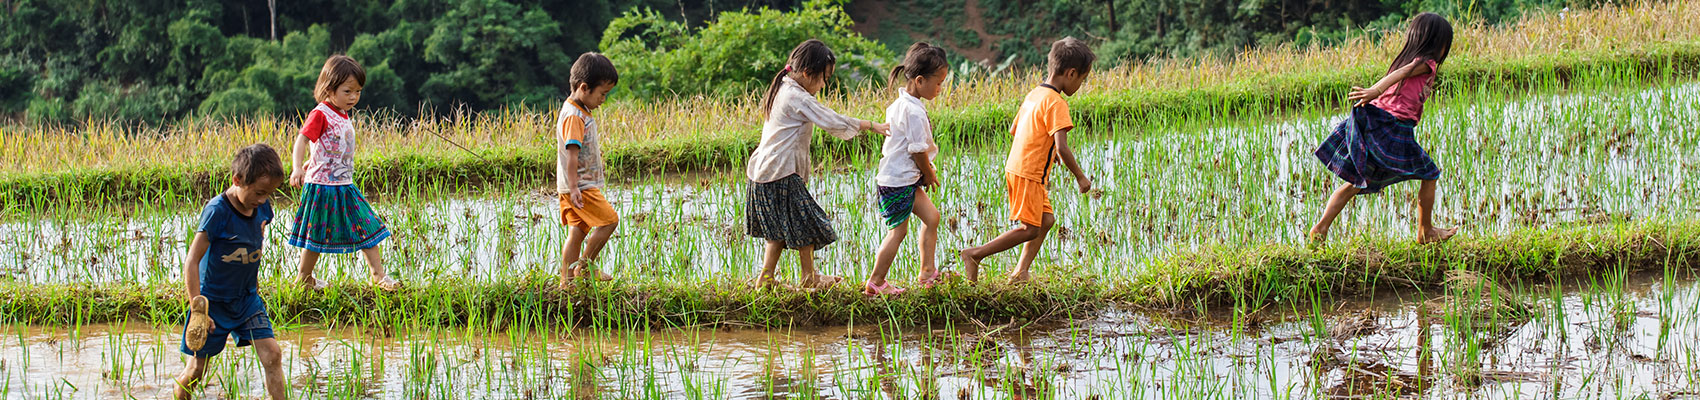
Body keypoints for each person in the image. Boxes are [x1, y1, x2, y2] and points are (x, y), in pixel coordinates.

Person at [745, 39, 890, 290]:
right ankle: (809, 277)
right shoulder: (796, 96)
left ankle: (766, 279)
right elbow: (830, 120)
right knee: (808, 222)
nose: (823, 85)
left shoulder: (783, 86)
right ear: (806, 73)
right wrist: (870, 125)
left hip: (763, 171)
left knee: (777, 231)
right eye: (823, 78)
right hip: (780, 172)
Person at [1309, 12, 1459, 245]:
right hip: (1393, 128)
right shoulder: (1424, 64)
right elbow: (1401, 74)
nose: (1444, 50)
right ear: (1436, 43)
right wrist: (1374, 91)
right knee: (1430, 174)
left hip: (1379, 123)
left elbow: (1399, 78)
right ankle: (1425, 231)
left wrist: (1377, 95)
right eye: (1444, 44)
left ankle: (1320, 229)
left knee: (1356, 183)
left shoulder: (1408, 61)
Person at [959, 37, 1096, 285]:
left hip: (1018, 166)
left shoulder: (1035, 94)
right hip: (1029, 173)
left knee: (1046, 221)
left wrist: (1047, 150)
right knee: (1030, 228)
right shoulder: (1057, 103)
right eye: (1082, 80)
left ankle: (1020, 272)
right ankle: (975, 254)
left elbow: (1018, 130)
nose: (1080, 85)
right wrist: (1080, 177)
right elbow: (1062, 147)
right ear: (1071, 73)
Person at [175, 144, 289, 400]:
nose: (263, 200)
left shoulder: (262, 208)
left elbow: (255, 234)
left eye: (269, 194)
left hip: (247, 299)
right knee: (196, 371)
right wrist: (198, 309)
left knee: (273, 355)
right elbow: (192, 260)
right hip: (213, 303)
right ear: (237, 180)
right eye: (259, 192)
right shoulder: (217, 212)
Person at [287, 55, 400, 291]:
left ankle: (378, 275)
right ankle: (304, 278)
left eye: (358, 92)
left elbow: (327, 144)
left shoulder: (342, 113)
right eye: (347, 91)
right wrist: (297, 167)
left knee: (367, 225)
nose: (353, 97)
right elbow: (302, 140)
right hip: (321, 186)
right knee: (316, 235)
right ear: (329, 89)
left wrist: (313, 159)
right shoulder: (320, 113)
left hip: (344, 184)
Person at [866, 42, 950, 296]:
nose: (940, 89)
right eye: (938, 83)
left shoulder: (903, 104)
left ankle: (927, 272)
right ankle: (876, 282)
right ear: (920, 80)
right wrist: (929, 173)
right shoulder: (912, 111)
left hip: (903, 179)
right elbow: (916, 150)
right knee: (898, 232)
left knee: (932, 218)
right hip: (898, 182)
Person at [557, 52, 622, 287]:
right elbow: (572, 155)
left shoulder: (575, 109)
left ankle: (566, 282)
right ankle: (585, 268)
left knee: (577, 232)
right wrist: (575, 187)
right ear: (584, 88)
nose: (603, 99)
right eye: (602, 93)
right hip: (581, 186)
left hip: (572, 186)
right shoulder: (575, 117)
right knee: (610, 221)